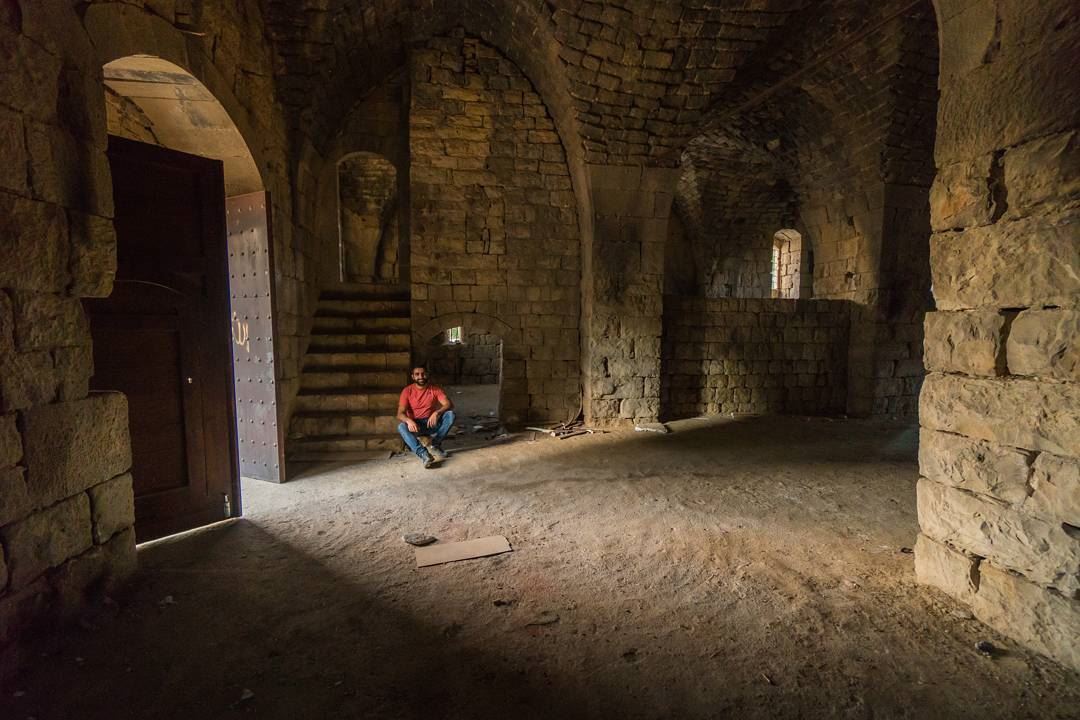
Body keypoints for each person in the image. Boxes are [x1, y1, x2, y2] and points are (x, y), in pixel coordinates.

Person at [396, 364, 455, 468]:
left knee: (450, 415)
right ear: (413, 377)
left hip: (432, 423)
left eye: (423, 374)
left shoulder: (435, 389)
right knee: (401, 427)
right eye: (417, 374)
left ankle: (435, 444)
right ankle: (424, 454)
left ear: (427, 375)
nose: (421, 377)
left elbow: (449, 404)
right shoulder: (407, 391)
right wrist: (409, 421)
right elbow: (399, 414)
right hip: (416, 426)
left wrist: (437, 413)